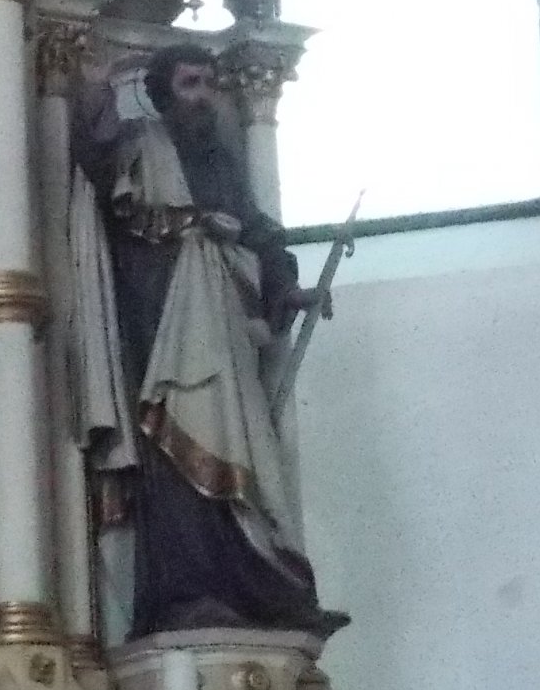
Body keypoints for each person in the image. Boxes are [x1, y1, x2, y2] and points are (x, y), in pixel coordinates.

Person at [69, 41, 342, 638]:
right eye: (190, 84)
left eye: (210, 84)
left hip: (224, 330)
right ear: (163, 92)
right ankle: (187, 595)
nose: (204, 98)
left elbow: (260, 231)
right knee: (175, 453)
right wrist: (96, 90)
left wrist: (287, 288)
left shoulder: (218, 159)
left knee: (251, 452)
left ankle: (266, 590)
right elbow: (99, 166)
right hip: (165, 328)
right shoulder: (142, 145)